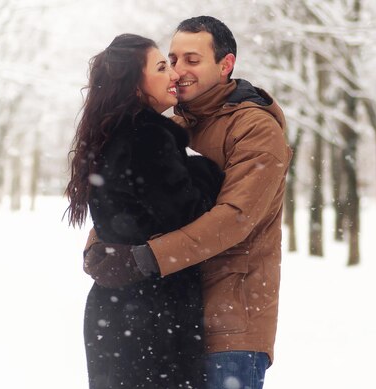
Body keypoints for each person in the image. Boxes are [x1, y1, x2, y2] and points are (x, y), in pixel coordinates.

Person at [83, 16, 292, 389]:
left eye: (192, 60)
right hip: (172, 317)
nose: (178, 71)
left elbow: (235, 219)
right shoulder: (175, 124)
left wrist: (146, 258)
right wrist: (99, 246)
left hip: (230, 325)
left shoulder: (255, 128)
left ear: (225, 65)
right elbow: (133, 199)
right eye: (172, 59)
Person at [65, 33, 224, 389]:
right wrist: (206, 170)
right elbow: (188, 214)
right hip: (152, 315)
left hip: (115, 308)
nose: (174, 75)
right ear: (136, 85)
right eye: (162, 66)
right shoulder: (147, 136)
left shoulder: (107, 134)